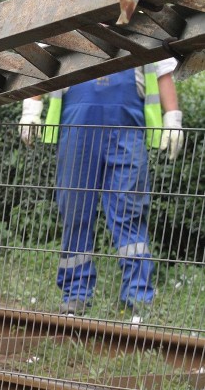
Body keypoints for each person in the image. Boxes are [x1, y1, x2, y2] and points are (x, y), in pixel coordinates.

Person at [19, 59, 184, 317]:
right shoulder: (68, 21)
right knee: (75, 212)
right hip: (77, 128)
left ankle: (138, 296)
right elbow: (45, 61)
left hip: (127, 130)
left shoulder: (144, 23)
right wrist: (32, 106)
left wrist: (173, 118)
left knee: (130, 213)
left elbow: (163, 71)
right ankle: (76, 294)